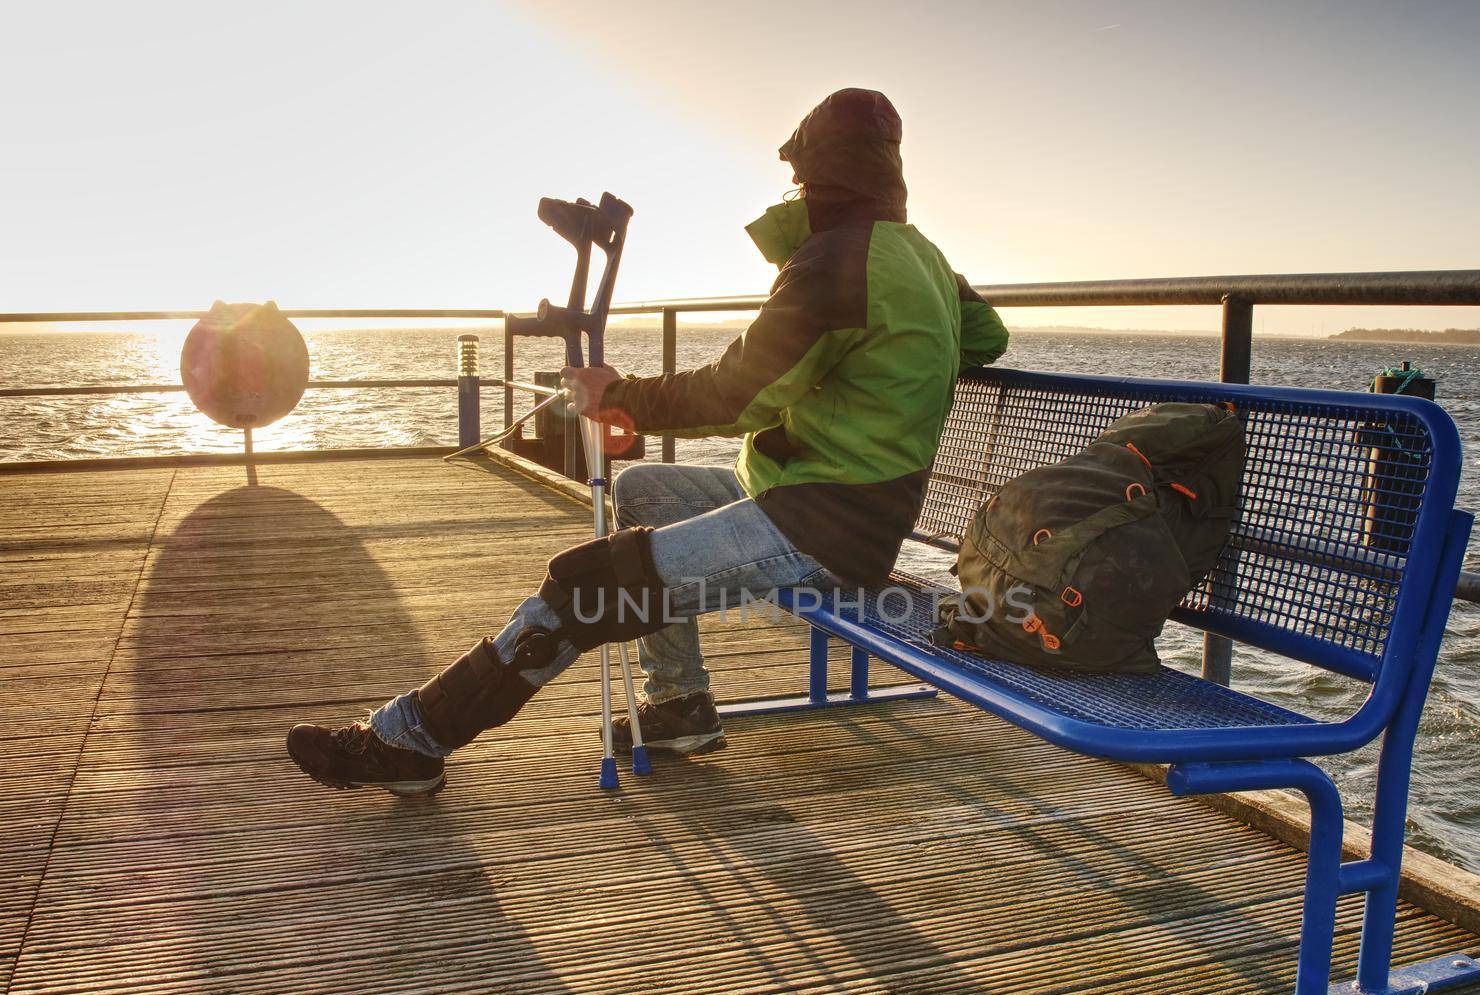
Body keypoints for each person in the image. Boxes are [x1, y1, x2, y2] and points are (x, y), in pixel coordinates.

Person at [286, 87, 1009, 794]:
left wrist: (618, 394)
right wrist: (893, 358)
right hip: (825, 500)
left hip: (823, 528)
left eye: (799, 176)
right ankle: (679, 702)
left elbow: (736, 394)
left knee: (588, 587)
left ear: (820, 172)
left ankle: (411, 738)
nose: (793, 189)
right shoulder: (920, 258)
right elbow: (987, 335)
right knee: (643, 489)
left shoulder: (837, 262)